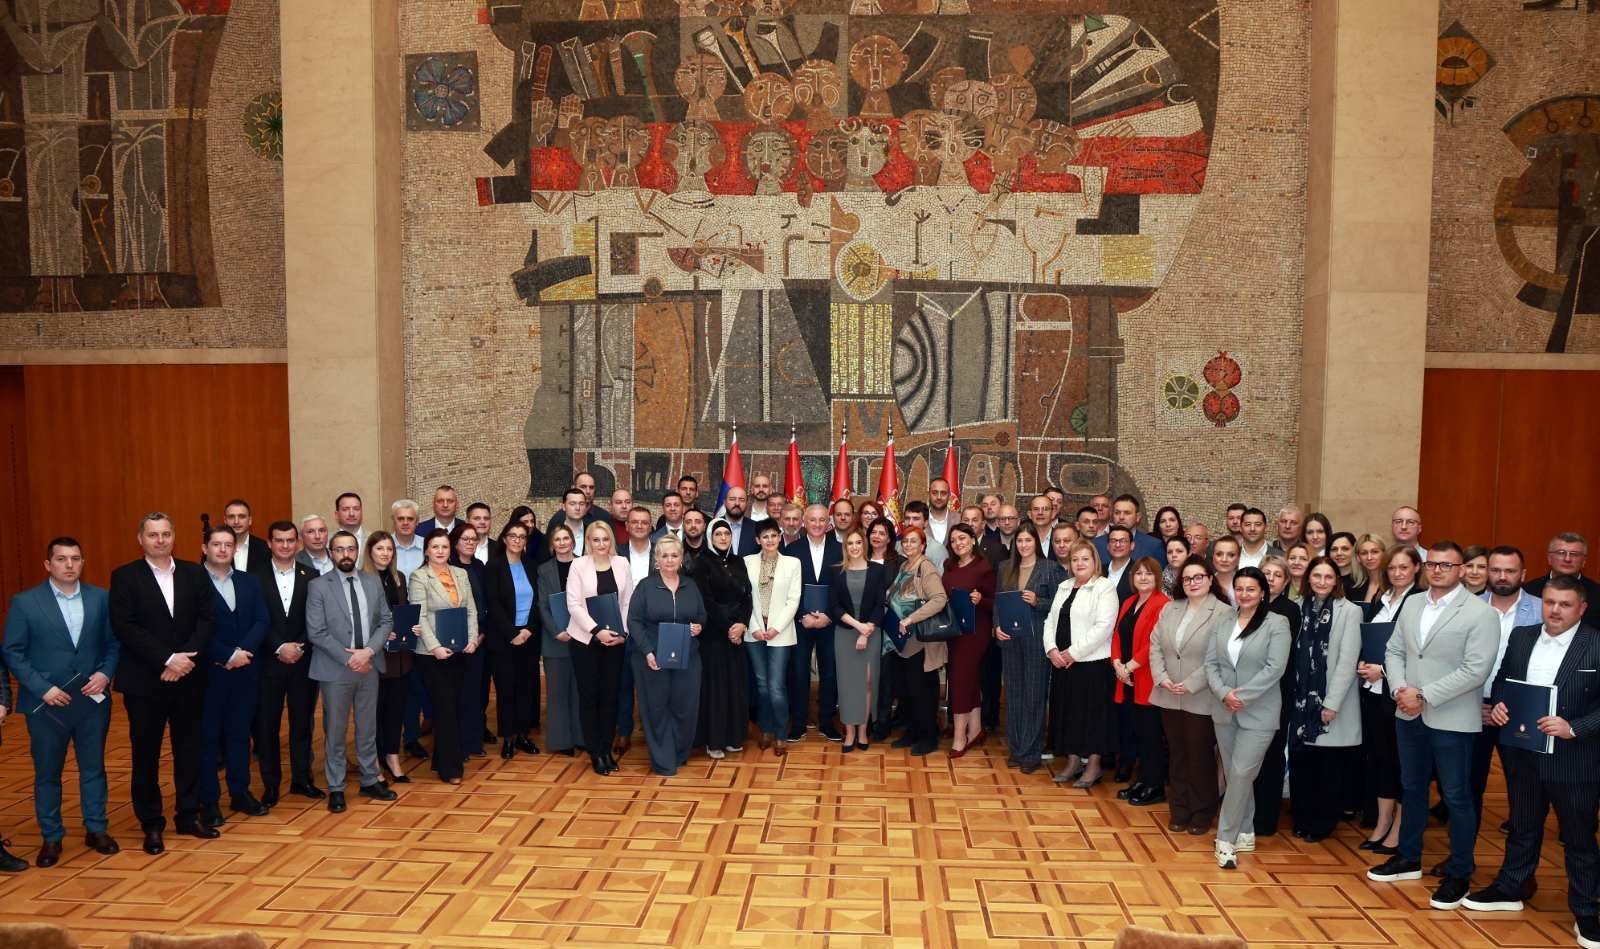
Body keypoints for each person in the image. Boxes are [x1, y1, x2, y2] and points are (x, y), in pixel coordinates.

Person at [1464, 575, 1600, 947]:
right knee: (1522, 826)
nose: (1554, 610)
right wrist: (1500, 704)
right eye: (1549, 602)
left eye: (1565, 604)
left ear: (1582, 608)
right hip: (1522, 752)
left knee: (1579, 837)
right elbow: (1504, 681)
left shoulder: (1596, 644)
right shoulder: (1522, 637)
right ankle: (1512, 886)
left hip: (1575, 760)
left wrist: (1574, 728)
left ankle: (1586, 911)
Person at [1367, 541, 1499, 912]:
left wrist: (1423, 694)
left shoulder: (1480, 614)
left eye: (1447, 565)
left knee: (1456, 796)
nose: (1438, 570)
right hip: (1408, 712)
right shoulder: (1412, 603)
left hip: (1452, 718)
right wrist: (1399, 689)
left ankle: (1460, 871)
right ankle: (1409, 857)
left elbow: (1476, 670)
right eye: (1433, 564)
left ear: (1462, 570)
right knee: (1411, 788)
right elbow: (1394, 651)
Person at [3, 537, 121, 867]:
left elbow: (114, 644)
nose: (69, 565)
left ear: (83, 563)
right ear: (48, 564)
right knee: (47, 773)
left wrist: (105, 674)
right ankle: (51, 837)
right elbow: (12, 651)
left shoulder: (101, 598)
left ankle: (96, 829)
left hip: (91, 701)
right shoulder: (25, 602)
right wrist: (43, 688)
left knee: (93, 768)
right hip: (46, 705)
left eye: (75, 558)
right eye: (61, 559)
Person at [110, 512, 216, 855]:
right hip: (145, 681)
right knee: (146, 755)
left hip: (189, 678)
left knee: (189, 750)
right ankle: (152, 824)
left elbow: (207, 619)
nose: (160, 540)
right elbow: (125, 626)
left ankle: (188, 815)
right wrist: (167, 659)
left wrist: (184, 659)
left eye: (166, 534)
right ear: (140, 539)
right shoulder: (124, 577)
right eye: (153, 535)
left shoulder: (194, 573)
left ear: (174, 537)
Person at [1206, 567, 1291, 869]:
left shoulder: (1276, 623)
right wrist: (1223, 693)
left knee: (1242, 773)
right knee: (1234, 774)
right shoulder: (1223, 621)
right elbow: (1211, 663)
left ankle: (1225, 839)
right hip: (1224, 709)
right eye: (1239, 588)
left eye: (1251, 589)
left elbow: (1275, 668)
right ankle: (1245, 830)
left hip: (1259, 711)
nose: (1244, 594)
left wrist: (1241, 696)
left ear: (1263, 592)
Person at [307, 531, 398, 812]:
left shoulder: (372, 581)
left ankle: (370, 779)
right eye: (339, 549)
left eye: (350, 549)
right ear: (331, 553)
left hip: (369, 665)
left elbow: (386, 620)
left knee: (367, 727)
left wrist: (368, 651)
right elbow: (316, 632)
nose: (345, 554)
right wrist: (350, 658)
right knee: (335, 731)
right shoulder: (318, 586)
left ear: (357, 552)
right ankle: (336, 786)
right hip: (335, 668)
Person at [195, 527, 271, 827]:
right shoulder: (192, 582)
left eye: (229, 544)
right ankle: (209, 801)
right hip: (209, 673)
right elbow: (194, 628)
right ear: (205, 548)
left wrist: (243, 652)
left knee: (240, 735)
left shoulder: (249, 581)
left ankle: (240, 792)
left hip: (246, 670)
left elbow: (262, 620)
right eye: (217, 544)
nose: (223, 549)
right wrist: (226, 655)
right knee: (208, 738)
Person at [1149, 556, 1230, 835]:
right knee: (1177, 754)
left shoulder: (1223, 612)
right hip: (1168, 693)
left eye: (1198, 577)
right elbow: (1155, 644)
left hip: (1201, 696)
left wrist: (1191, 683)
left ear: (1210, 579)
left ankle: (1202, 812)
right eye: (1186, 578)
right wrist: (1162, 677)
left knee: (1200, 756)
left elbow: (1219, 656)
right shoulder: (1171, 608)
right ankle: (1179, 810)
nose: (1192, 583)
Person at [1287, 557, 1362, 841]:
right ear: (1308, 578)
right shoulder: (1297, 607)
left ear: (1336, 581)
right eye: (1316, 576)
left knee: (1327, 768)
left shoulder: (1349, 611)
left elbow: (1347, 661)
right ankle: (1302, 817)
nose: (1322, 581)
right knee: (1303, 764)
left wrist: (1331, 703)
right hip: (1300, 702)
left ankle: (1322, 823)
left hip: (1331, 701)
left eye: (1328, 577)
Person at [1356, 543, 1424, 854]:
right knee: (1380, 759)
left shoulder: (1419, 602)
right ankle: (1383, 823)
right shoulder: (1381, 599)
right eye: (1392, 568)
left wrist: (1382, 671)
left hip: (1399, 693)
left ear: (1416, 569)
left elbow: (1417, 652)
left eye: (1403, 567)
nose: (1397, 573)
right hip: (1373, 694)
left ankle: (1399, 828)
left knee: (1401, 763)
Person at [1470, 545, 1544, 829]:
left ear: (1523, 574)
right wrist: (1475, 703)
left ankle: (1521, 846)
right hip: (1472, 705)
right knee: (1469, 781)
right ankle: (1463, 846)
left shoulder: (1540, 609)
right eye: (1496, 570)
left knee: (1522, 783)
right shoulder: (1469, 606)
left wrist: (1507, 705)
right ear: (1487, 572)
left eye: (1510, 571)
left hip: (1519, 709)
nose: (1502, 576)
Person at [626, 535, 707, 776]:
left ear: (681, 559)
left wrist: (699, 626)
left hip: (687, 657)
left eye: (674, 555)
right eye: (664, 555)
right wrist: (647, 651)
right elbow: (634, 621)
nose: (670, 560)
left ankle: (679, 753)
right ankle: (663, 760)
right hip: (652, 658)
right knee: (656, 709)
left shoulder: (690, 585)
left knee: (686, 708)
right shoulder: (645, 586)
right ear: (657, 560)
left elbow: (701, 615)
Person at [255, 521, 321, 802]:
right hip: (268, 663)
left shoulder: (312, 575)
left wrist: (298, 646)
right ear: (269, 543)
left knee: (302, 723)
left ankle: (301, 779)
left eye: (290, 540)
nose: (285, 545)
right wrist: (279, 647)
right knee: (267, 725)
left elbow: (315, 619)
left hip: (303, 661)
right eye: (279, 540)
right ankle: (271, 784)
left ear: (297, 543)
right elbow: (256, 619)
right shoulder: (254, 576)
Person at [408, 529, 481, 784]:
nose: (440, 551)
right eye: (435, 547)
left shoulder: (460, 573)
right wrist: (435, 647)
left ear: (451, 550)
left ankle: (441, 759)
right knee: (445, 707)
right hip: (431, 655)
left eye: (444, 547)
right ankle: (451, 769)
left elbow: (471, 609)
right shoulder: (419, 576)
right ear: (427, 551)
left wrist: (472, 639)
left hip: (460, 650)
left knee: (455, 705)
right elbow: (419, 615)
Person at [1045, 540, 1119, 786]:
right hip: (1062, 664)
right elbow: (1050, 620)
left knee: (1092, 716)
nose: (1079, 563)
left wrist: (1073, 653)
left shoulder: (1104, 587)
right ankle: (1073, 761)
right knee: (1068, 714)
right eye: (1075, 559)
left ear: (1095, 560)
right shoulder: (1064, 586)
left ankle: (1094, 766)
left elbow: (1104, 626)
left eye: (1085, 559)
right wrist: (1051, 649)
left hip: (1091, 664)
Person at [566, 521, 632, 775]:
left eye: (605, 539)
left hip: (615, 641)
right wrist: (597, 631)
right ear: (588, 542)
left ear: (611, 540)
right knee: (589, 696)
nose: (601, 544)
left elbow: (627, 602)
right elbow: (574, 604)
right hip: (585, 641)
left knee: (610, 696)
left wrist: (622, 633)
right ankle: (595, 752)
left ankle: (606, 748)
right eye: (596, 539)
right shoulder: (578, 565)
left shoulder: (622, 563)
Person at [996, 528, 1065, 773]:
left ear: (1036, 542)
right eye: (1019, 541)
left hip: (1037, 642)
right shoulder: (1005, 567)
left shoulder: (1050, 568)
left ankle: (1031, 753)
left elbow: (1059, 605)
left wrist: (1038, 601)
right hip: (1010, 640)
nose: (1023, 545)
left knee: (1034, 697)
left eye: (1028, 540)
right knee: (1014, 696)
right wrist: (996, 627)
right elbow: (998, 601)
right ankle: (1016, 750)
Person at [691, 519, 753, 759]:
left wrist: (742, 624)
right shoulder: (701, 563)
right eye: (718, 534)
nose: (723, 537)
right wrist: (729, 628)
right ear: (710, 537)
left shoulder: (738, 561)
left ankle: (733, 737)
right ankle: (714, 740)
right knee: (716, 689)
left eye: (727, 533)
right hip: (714, 636)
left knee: (735, 688)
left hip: (737, 634)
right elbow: (706, 601)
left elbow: (747, 596)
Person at [1111, 557, 1170, 806]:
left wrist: (1129, 667)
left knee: (1151, 735)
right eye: (1138, 573)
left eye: (1148, 573)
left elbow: (1154, 643)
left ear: (1157, 577)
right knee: (1137, 732)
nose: (1143, 578)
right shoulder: (1129, 602)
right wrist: (1117, 664)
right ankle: (1142, 780)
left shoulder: (1163, 604)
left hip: (1146, 678)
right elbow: (1116, 634)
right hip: (1126, 678)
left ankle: (1155, 786)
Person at [886, 527, 949, 756]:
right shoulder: (905, 566)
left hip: (920, 641)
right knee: (907, 691)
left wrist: (911, 618)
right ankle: (912, 732)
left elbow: (939, 599)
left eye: (914, 541)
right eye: (906, 541)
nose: (909, 545)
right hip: (901, 641)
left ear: (923, 545)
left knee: (922, 692)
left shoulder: (926, 567)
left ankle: (928, 737)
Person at [783, 504, 843, 742]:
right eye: (812, 520)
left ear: (828, 523)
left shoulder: (840, 549)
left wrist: (829, 615)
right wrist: (802, 616)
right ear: (804, 523)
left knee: (830, 673)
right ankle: (798, 723)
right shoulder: (792, 550)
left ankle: (827, 722)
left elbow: (843, 587)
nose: (817, 524)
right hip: (801, 622)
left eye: (822, 520)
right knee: (799, 673)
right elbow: (787, 589)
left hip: (830, 621)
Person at [829, 528, 888, 752]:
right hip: (845, 633)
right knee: (847, 684)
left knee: (867, 683)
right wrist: (858, 626)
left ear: (864, 545)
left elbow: (880, 604)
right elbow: (833, 606)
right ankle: (850, 732)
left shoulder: (877, 570)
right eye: (850, 543)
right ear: (845, 547)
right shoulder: (836, 571)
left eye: (858, 543)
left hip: (871, 633)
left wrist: (866, 631)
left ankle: (863, 731)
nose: (854, 547)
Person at [485, 522, 541, 759]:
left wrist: (528, 630)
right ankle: (508, 737)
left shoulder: (532, 565)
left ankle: (522, 735)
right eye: (513, 536)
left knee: (525, 688)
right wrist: (511, 633)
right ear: (505, 539)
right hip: (503, 638)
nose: (517, 540)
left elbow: (538, 602)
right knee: (506, 689)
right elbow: (493, 603)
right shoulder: (494, 566)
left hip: (528, 636)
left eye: (522, 536)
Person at [746, 521, 800, 755]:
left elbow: (793, 599)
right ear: (757, 540)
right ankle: (765, 729)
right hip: (754, 631)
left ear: (780, 537)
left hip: (781, 632)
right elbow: (744, 598)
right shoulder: (747, 562)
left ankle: (780, 734)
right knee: (762, 686)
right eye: (765, 536)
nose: (770, 540)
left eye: (773, 535)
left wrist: (776, 628)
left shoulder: (792, 563)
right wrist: (755, 627)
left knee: (776, 686)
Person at [364, 531, 412, 784]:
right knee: (373, 712)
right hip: (374, 655)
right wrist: (382, 634)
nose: (385, 553)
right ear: (370, 551)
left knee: (395, 709)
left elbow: (404, 610)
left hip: (399, 656)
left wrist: (411, 627)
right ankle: (373, 761)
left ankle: (392, 756)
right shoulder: (361, 578)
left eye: (389, 549)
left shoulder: (399, 577)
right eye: (380, 548)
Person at [942, 524, 995, 756]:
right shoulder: (949, 565)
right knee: (968, 680)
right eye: (953, 540)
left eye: (962, 538)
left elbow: (995, 602)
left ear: (973, 539)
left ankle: (959, 737)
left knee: (960, 681)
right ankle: (975, 730)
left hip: (975, 633)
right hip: (953, 631)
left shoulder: (984, 567)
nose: (958, 543)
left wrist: (981, 600)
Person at [536, 524, 583, 757]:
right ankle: (561, 741)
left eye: (566, 538)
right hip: (556, 639)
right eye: (558, 539)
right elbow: (543, 605)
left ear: (573, 541)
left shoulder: (584, 564)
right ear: (552, 544)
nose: (563, 543)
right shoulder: (544, 570)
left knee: (580, 691)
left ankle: (581, 737)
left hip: (582, 637)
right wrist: (557, 631)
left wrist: (582, 629)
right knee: (557, 692)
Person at [448, 524, 491, 761]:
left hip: (479, 639)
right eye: (465, 539)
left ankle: (474, 741)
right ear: (455, 542)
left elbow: (485, 603)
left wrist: (480, 635)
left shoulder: (479, 566)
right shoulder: (449, 568)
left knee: (476, 693)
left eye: (474, 539)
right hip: (454, 641)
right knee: (457, 695)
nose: (470, 543)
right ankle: (458, 746)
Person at [1525, 532, 1600, 628]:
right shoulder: (1529, 591)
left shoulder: (1597, 593)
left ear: (1584, 561)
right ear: (1549, 558)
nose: (1567, 559)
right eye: (1561, 553)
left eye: (1574, 554)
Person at [1092, 495, 1163, 565]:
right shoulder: (1097, 544)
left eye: (1127, 513)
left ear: (1138, 517)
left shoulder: (1153, 545)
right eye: (1117, 513)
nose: (1121, 517)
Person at [221, 499, 271, 577]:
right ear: (225, 520)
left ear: (250, 520)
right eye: (231, 517)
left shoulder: (264, 547)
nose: (236, 521)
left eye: (242, 517)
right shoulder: (215, 548)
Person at [902, 501, 948, 569]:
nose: (910, 523)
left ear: (925, 523)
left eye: (916, 519)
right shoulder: (897, 545)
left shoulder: (937, 550)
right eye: (907, 518)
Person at [391, 500, 426, 579]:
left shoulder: (427, 546)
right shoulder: (384, 546)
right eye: (400, 519)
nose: (405, 523)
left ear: (417, 521)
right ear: (393, 520)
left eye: (410, 519)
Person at [721, 488, 759, 556]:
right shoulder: (712, 526)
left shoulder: (757, 528)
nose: (737, 503)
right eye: (732, 499)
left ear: (747, 504)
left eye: (742, 500)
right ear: (724, 502)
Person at [1102, 526, 1135, 601]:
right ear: (1108, 546)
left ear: (1132, 545)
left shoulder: (1138, 571)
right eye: (1113, 541)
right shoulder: (1098, 571)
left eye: (1122, 541)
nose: (1117, 545)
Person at [334, 492, 367, 563]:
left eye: (356, 509)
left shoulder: (373, 539)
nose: (351, 514)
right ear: (337, 514)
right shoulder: (326, 541)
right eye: (345, 509)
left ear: (361, 512)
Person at [1329, 531, 1364, 598]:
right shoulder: (1324, 582)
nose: (1339, 553)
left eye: (1345, 549)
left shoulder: (1365, 580)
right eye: (1334, 549)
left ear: (1355, 551)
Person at [1210, 536, 1240, 605]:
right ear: (1213, 558)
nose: (1224, 559)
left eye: (1231, 555)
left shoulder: (1247, 584)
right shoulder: (1205, 583)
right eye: (1219, 554)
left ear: (1238, 559)